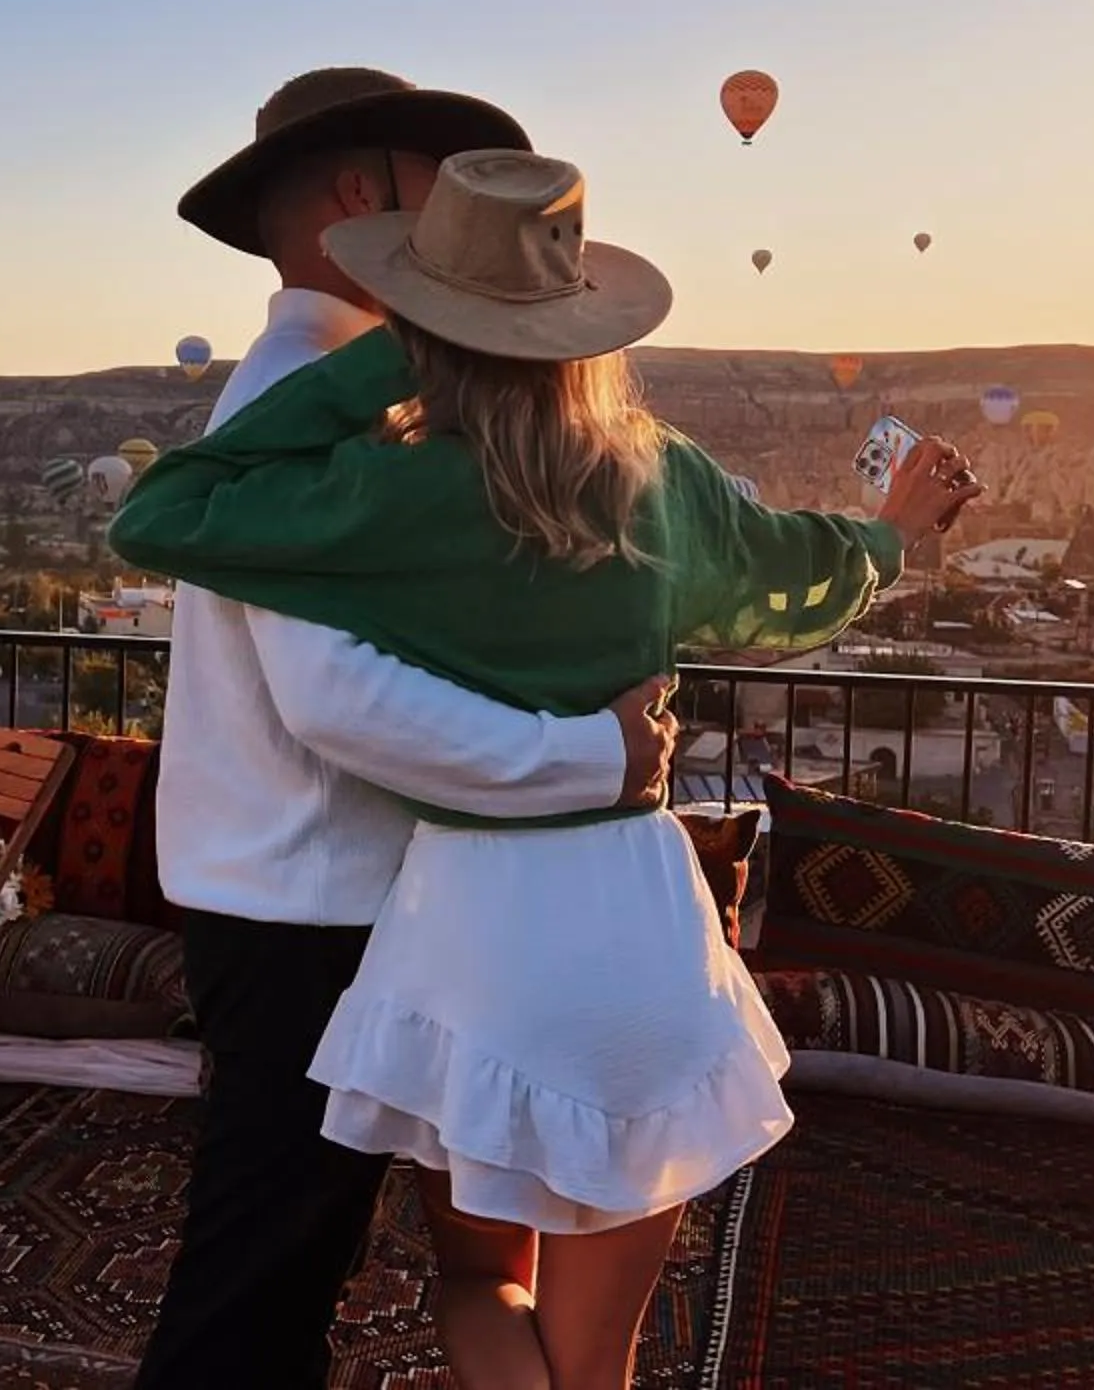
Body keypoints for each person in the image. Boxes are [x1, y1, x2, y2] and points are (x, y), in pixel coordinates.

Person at [114, 148, 980, 1388]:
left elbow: (161, 512)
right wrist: (891, 536)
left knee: (481, 1281)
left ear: (427, 323)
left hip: (469, 937)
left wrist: (398, 352)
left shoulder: (389, 495)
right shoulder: (665, 483)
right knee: (596, 1354)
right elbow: (798, 569)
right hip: (639, 925)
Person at [135, 70, 683, 1390]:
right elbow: (335, 695)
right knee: (258, 1274)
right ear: (360, 195)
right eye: (441, 190)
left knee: (291, 1260)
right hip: (305, 910)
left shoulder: (307, 388)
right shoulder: (307, 395)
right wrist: (594, 757)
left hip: (296, 894)